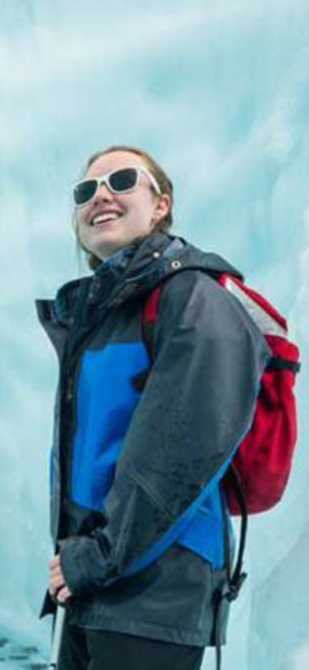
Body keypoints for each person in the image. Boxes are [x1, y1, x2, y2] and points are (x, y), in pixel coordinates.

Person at [38, 146, 270, 670]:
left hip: (153, 596)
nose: (100, 196)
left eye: (122, 180)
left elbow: (178, 454)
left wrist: (96, 558)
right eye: (85, 191)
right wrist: (80, 564)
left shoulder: (191, 298)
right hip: (95, 589)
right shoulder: (104, 316)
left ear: (161, 203)